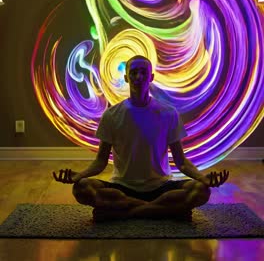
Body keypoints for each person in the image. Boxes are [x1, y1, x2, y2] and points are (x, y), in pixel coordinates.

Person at [53, 55, 229, 222]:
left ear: (151, 77)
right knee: (81, 188)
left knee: (201, 191)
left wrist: (202, 178)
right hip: (122, 187)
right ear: (126, 78)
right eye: (134, 72)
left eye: (144, 72)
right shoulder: (111, 115)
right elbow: (100, 161)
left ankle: (126, 212)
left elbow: (181, 162)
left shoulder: (168, 113)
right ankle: (164, 211)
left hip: (161, 187)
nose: (139, 76)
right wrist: (80, 175)